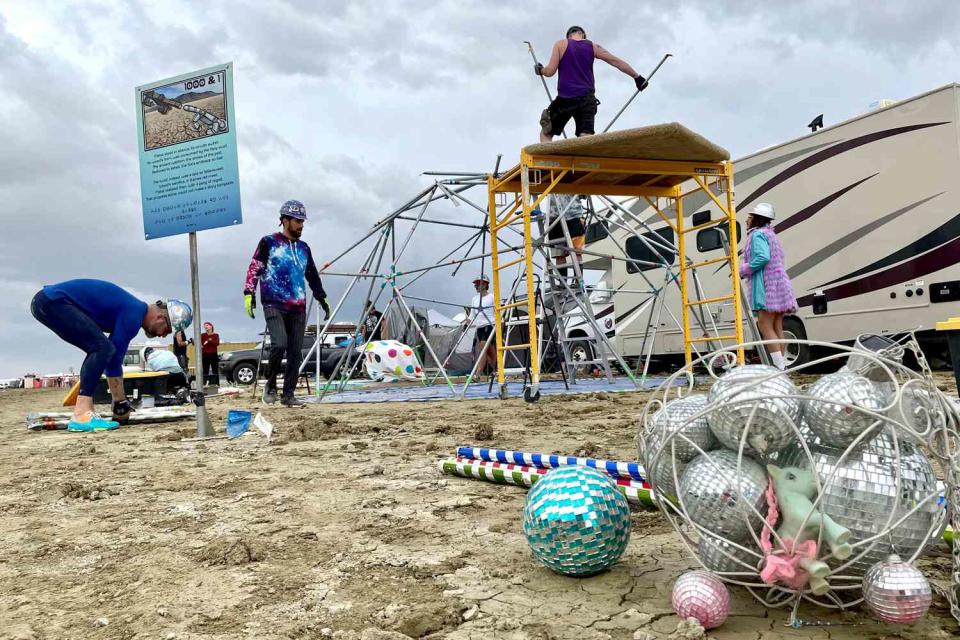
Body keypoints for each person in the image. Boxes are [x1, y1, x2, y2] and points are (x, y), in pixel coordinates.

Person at [29, 279, 192, 432]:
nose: (163, 336)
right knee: (101, 348)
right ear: (160, 317)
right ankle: (81, 415)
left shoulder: (133, 309)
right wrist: (120, 402)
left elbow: (111, 357)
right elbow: (113, 358)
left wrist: (119, 401)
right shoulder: (134, 314)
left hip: (48, 301)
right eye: (167, 330)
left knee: (99, 348)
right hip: (54, 302)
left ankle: (86, 410)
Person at [244, 200, 331, 407]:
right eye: (297, 221)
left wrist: (321, 297)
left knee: (294, 351)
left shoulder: (304, 248)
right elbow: (254, 266)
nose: (301, 225)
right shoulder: (269, 242)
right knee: (279, 344)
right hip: (273, 302)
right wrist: (249, 292)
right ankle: (271, 384)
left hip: (298, 306)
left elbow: (312, 275)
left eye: (303, 221)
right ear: (284, 220)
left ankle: (288, 394)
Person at [535, 25, 647, 142]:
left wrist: (540, 70)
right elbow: (616, 61)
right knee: (586, 138)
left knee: (546, 133)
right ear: (582, 34)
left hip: (566, 99)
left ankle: (547, 159)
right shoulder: (593, 46)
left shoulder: (561, 44)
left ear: (569, 35)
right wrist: (637, 77)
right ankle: (585, 159)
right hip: (587, 100)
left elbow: (550, 71)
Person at [739, 202, 798, 371]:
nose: (747, 219)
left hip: (766, 286)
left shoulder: (757, 235)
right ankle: (783, 367)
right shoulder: (771, 235)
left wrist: (743, 269)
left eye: (750, 216)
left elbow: (762, 258)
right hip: (779, 284)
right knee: (777, 326)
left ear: (756, 219)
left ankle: (778, 369)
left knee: (764, 325)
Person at [546, 194, 587, 283]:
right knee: (559, 254)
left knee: (576, 252)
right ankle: (563, 283)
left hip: (573, 216)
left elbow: (584, 194)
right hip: (556, 219)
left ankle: (577, 281)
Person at [464, 276, 497, 376]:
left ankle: (478, 374)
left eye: (478, 284)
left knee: (483, 346)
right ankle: (496, 369)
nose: (476, 286)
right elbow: (472, 314)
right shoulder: (475, 299)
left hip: (489, 324)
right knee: (488, 349)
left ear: (485, 284)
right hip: (479, 327)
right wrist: (467, 323)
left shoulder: (492, 297)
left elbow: (497, 311)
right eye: (475, 284)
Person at [200, 322, 220, 386]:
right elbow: (200, 344)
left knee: (215, 369)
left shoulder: (216, 335)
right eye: (204, 326)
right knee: (205, 370)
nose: (206, 327)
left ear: (211, 326)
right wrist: (202, 345)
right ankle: (204, 384)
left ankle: (216, 384)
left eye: (207, 325)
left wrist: (211, 341)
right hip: (205, 354)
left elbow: (217, 343)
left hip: (213, 354)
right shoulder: (203, 335)